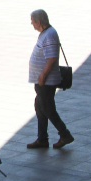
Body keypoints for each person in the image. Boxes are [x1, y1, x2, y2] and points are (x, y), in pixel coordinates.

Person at [27, 10, 73, 149]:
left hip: (46, 81)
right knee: (40, 107)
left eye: (32, 21)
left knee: (48, 109)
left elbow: (52, 58)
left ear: (38, 22)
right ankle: (42, 139)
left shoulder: (50, 35)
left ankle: (65, 134)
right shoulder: (46, 34)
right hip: (42, 81)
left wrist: (42, 75)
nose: (32, 24)